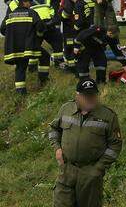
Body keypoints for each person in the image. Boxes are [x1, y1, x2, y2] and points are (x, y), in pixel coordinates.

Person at [48, 79, 122, 207]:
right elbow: (54, 128)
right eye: (87, 96)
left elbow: (115, 145)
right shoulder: (66, 109)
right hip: (66, 170)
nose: (91, 99)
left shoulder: (108, 116)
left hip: (90, 174)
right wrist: (57, 148)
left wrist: (98, 169)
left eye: (93, 95)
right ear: (77, 96)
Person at [11, 0, 64, 81]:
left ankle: (59, 64)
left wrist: (52, 19)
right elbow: (12, 6)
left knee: (57, 40)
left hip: (48, 25)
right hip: (35, 26)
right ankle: (32, 68)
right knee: (34, 47)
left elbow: (51, 9)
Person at [1, 0, 44, 94]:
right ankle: (44, 80)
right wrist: (38, 36)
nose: (30, 4)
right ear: (24, 3)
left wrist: (11, 34)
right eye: (29, 2)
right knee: (45, 56)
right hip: (28, 47)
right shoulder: (31, 12)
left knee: (20, 68)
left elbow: (2, 29)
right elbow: (40, 27)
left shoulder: (9, 15)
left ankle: (20, 92)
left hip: (14, 48)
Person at [59, 0, 77, 74]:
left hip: (68, 27)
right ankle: (72, 66)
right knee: (70, 47)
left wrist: (61, 17)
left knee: (68, 48)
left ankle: (72, 68)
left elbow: (67, 12)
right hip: (71, 27)